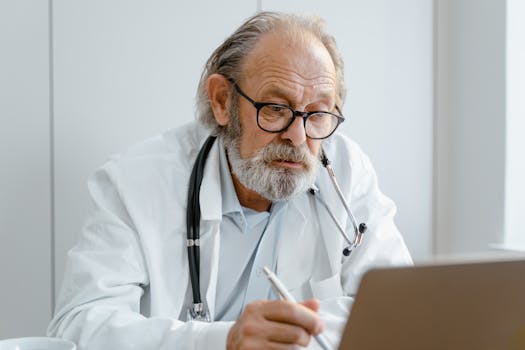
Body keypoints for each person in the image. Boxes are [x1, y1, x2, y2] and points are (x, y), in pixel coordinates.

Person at [48, 11, 412, 349]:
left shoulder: (345, 171)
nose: (298, 137)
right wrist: (224, 341)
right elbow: (78, 326)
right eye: (275, 108)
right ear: (222, 101)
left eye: (317, 113)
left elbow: (404, 310)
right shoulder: (135, 182)